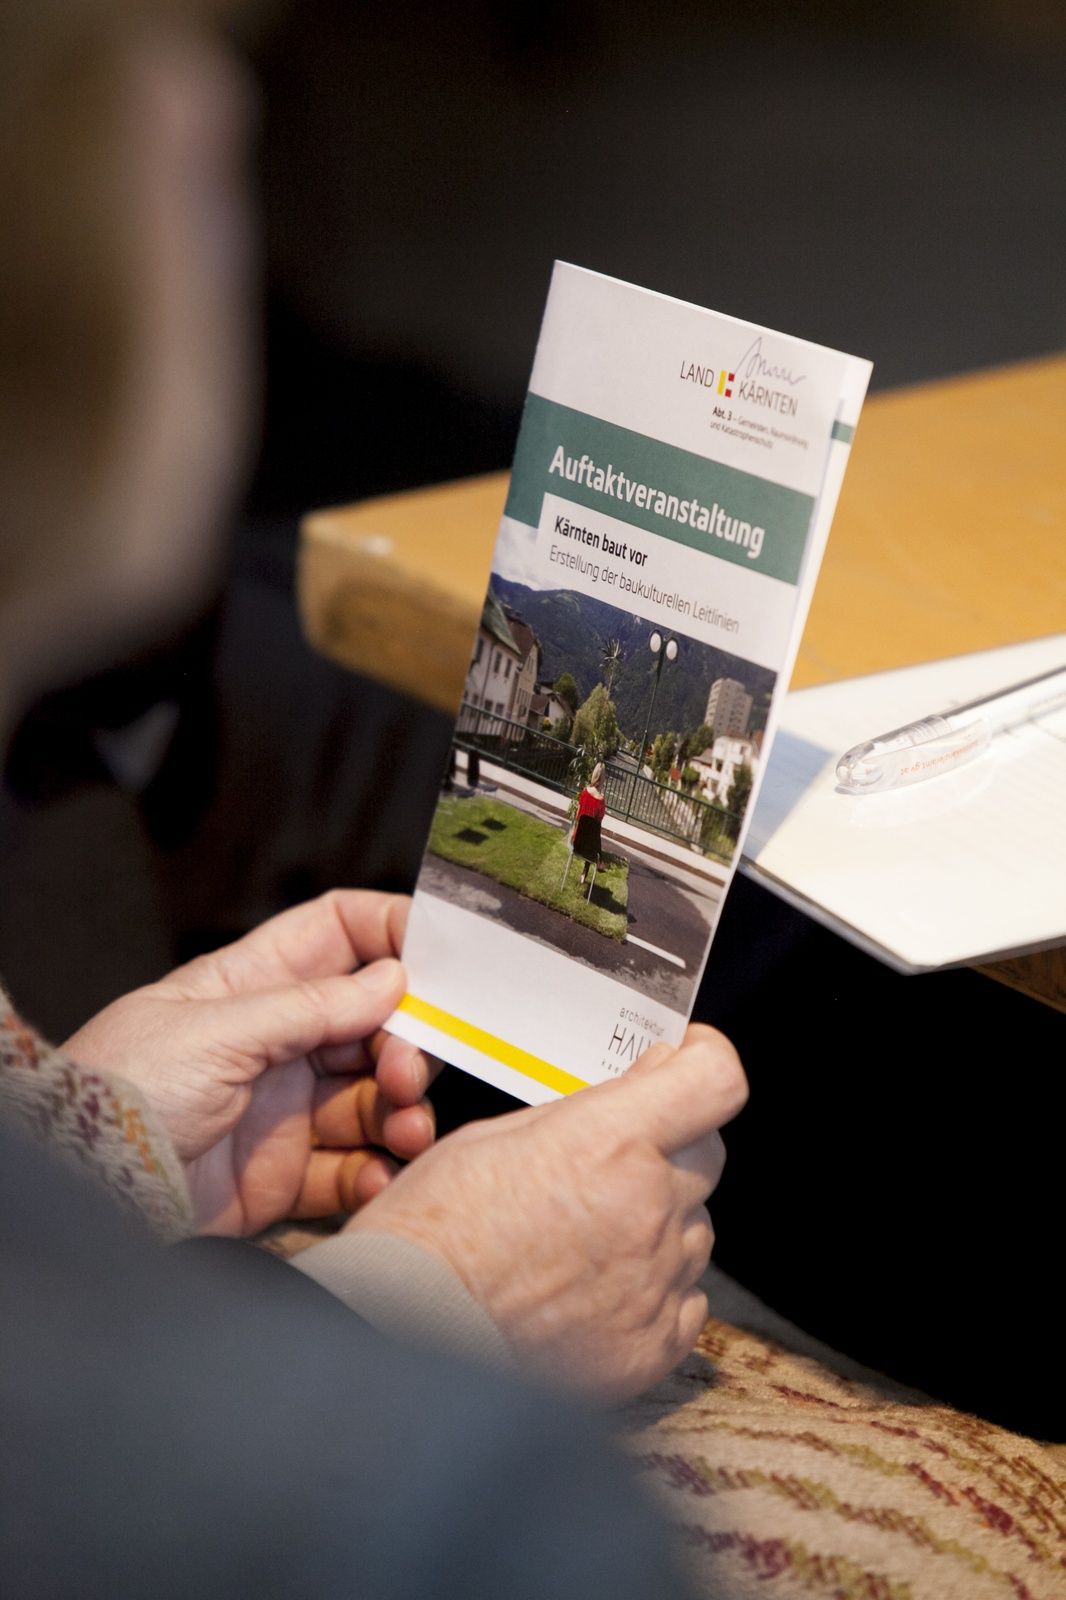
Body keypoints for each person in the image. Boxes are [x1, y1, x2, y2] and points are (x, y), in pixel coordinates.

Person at [0, 2, 746, 1593]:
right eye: (158, 97)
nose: (217, 122)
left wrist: (80, 1138)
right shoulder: (458, 1506)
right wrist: (431, 1309)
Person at [571, 760, 607, 886]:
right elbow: (597, 825)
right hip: (590, 848)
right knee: (594, 835)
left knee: (587, 832)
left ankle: (599, 860)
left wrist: (573, 832)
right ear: (603, 779)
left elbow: (578, 816)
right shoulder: (601, 801)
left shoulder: (585, 792)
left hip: (577, 842)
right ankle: (592, 866)